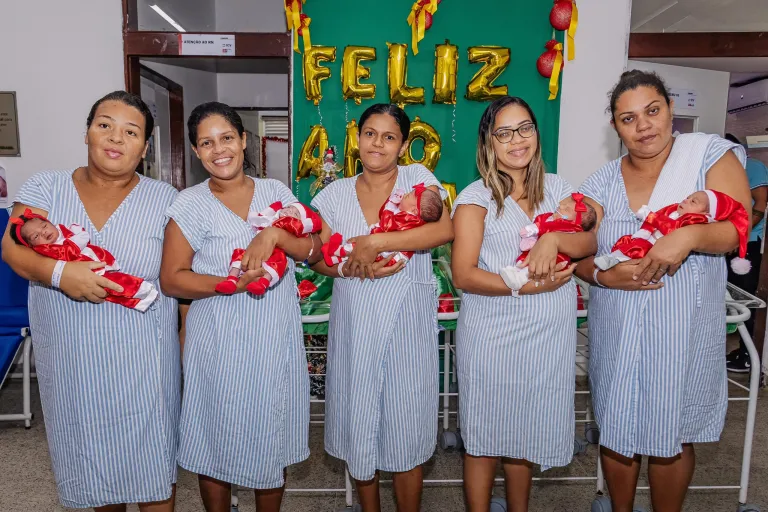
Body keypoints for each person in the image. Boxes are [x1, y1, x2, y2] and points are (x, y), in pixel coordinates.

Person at [575, 70, 750, 512]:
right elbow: (576, 247)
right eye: (628, 118)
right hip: (617, 325)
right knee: (617, 433)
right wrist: (599, 274)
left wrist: (688, 237)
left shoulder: (707, 154)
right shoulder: (602, 181)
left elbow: (735, 226)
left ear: (670, 109)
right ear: (615, 127)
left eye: (652, 111)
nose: (644, 126)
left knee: (671, 434)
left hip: (682, 327)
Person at [1, 91, 180, 511]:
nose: (115, 138)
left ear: (145, 147)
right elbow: (12, 248)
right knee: (93, 467)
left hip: (145, 363)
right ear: (87, 133)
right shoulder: (47, 186)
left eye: (130, 131)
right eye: (105, 125)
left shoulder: (167, 200)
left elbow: (179, 278)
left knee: (153, 470)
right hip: (73, 363)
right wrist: (61, 275)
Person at [160, 102, 314, 512]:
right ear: (195, 151)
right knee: (216, 438)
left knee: (272, 433)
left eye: (227, 138)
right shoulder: (189, 204)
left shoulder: (275, 193)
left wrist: (274, 237)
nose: (219, 150)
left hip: (273, 339)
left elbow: (311, 248)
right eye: (206, 143)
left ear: (244, 141)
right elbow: (173, 277)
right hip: (218, 341)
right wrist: (229, 284)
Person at [450, 96, 597, 511]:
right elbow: (464, 275)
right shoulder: (475, 198)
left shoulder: (561, 190)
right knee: (483, 436)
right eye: (504, 132)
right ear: (488, 143)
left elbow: (589, 241)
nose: (517, 140)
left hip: (547, 337)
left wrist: (554, 238)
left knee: (525, 434)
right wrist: (525, 288)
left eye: (525, 128)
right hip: (492, 336)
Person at [309, 103, 454, 512]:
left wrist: (376, 242)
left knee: (406, 422)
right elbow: (318, 258)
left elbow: (445, 228)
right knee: (361, 422)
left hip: (407, 323)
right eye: (371, 134)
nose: (378, 144)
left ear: (404, 145)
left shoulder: (417, 180)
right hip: (356, 322)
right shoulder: (333, 195)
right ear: (358, 138)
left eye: (389, 137)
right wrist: (351, 265)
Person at [9, 208, 158, 311]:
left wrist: (74, 236)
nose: (44, 232)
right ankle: (142, 293)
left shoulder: (62, 230)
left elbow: (80, 233)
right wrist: (75, 239)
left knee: (112, 288)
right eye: (36, 236)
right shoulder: (47, 251)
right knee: (116, 286)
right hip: (87, 271)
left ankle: (142, 297)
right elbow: (70, 251)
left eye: (44, 226)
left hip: (97, 258)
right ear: (31, 246)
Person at [594, 190, 750, 272]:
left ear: (706, 214)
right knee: (629, 244)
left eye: (693, 201)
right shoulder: (674, 210)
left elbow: (672, 229)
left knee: (635, 251)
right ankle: (613, 259)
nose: (685, 200)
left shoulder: (694, 221)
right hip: (648, 239)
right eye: (688, 197)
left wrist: (650, 217)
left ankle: (612, 260)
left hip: (654, 247)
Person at [724, 133, 768, 372]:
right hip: (729, 245)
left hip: (747, 244)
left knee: (746, 299)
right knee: (733, 297)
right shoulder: (727, 172)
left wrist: (738, 235)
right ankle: (742, 349)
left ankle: (750, 356)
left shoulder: (753, 167)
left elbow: (760, 204)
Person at [321, 182, 444, 267]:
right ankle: (335, 258)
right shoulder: (410, 219)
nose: (405, 194)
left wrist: (391, 204)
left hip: (387, 254)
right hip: (387, 252)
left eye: (409, 196)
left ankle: (337, 251)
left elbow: (386, 224)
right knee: (359, 249)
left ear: (414, 211)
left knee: (359, 248)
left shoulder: (406, 220)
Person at [214, 201, 321, 295]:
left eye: (296, 213)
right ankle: (231, 280)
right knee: (239, 255)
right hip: (250, 255)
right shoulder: (271, 219)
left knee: (276, 264)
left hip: (275, 254)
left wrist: (276, 235)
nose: (290, 212)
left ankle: (263, 283)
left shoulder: (291, 223)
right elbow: (260, 219)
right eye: (289, 208)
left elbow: (314, 250)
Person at [500, 192, 597, 292]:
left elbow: (592, 242)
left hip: (556, 260)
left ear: (575, 221)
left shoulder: (568, 226)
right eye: (564, 205)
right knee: (529, 262)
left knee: (537, 266)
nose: (561, 206)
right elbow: (542, 220)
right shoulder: (552, 217)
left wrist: (550, 238)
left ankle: (520, 278)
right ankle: (517, 271)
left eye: (566, 209)